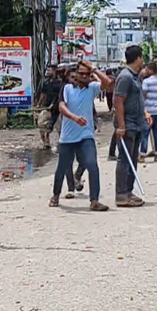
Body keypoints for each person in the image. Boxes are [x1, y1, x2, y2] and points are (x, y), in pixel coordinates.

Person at [49, 60, 114, 211]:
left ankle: (94, 200)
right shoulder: (67, 88)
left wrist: (94, 69)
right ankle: (56, 195)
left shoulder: (92, 88)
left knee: (92, 164)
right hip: (68, 137)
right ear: (76, 74)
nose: (84, 77)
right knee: (62, 167)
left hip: (86, 135)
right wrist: (74, 118)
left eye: (87, 74)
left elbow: (108, 82)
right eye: (81, 74)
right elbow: (61, 106)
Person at [113, 45, 147, 207]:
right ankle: (120, 194)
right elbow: (118, 101)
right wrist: (121, 125)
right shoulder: (125, 77)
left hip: (137, 123)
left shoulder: (135, 76)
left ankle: (128, 191)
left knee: (133, 160)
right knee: (124, 160)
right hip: (127, 124)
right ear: (138, 58)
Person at [140, 63, 157, 161]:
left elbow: (143, 95)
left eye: (147, 69)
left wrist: (142, 109)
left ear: (151, 70)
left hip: (148, 111)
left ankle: (142, 155)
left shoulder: (146, 82)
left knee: (145, 133)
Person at [35, 66, 64, 149]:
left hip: (58, 109)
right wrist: (39, 104)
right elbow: (43, 94)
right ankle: (46, 142)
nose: (47, 71)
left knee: (60, 128)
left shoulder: (59, 83)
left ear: (54, 71)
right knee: (41, 124)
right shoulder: (46, 82)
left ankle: (63, 143)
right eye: (47, 69)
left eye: (49, 70)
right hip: (47, 107)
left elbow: (60, 96)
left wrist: (54, 104)